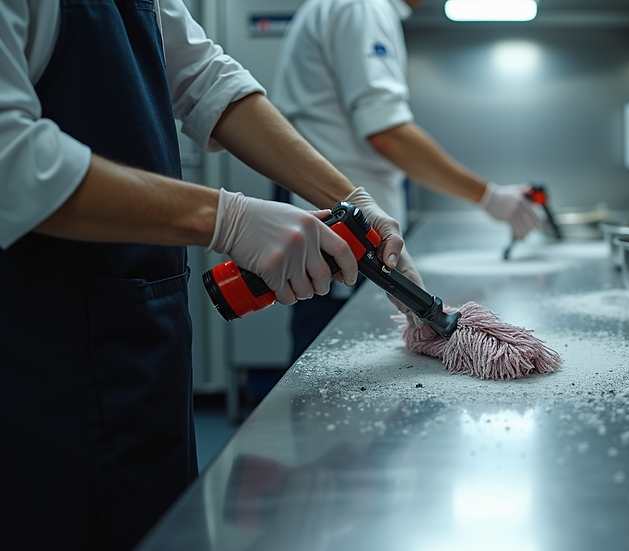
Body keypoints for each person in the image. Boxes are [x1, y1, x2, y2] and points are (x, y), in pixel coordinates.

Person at [0, 1, 420, 549]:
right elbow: (12, 161)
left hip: (143, 329)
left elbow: (206, 77)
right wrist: (228, 218)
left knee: (155, 521)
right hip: (39, 342)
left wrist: (351, 199)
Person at [270, 0, 544, 362]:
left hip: (345, 214)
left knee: (338, 366)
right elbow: (387, 134)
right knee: (330, 365)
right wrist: (489, 197)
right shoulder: (362, 7)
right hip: (339, 225)